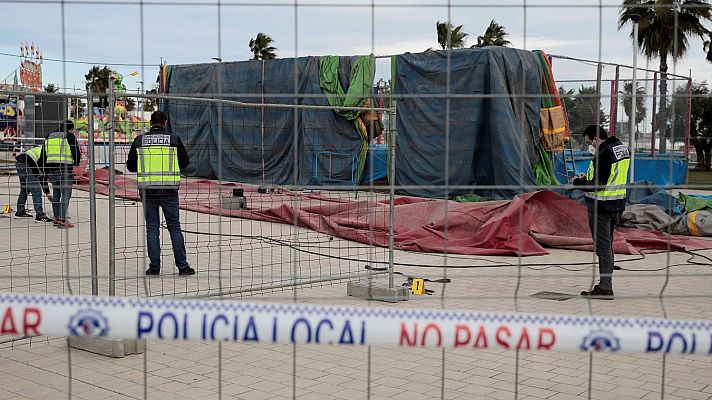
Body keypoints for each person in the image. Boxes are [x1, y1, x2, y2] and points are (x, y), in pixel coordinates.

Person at [126, 111, 195, 276]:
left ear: (151, 123)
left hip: (148, 190)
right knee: (174, 228)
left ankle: (154, 267)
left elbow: (131, 167)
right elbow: (185, 163)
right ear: (165, 122)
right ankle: (182, 267)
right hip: (169, 190)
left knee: (152, 229)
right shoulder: (174, 139)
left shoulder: (139, 140)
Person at [573, 125, 630, 300]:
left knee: (603, 248)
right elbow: (611, 176)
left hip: (601, 207)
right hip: (617, 205)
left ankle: (605, 288)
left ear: (596, 139)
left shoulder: (603, 153)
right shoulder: (622, 149)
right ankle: (605, 284)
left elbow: (599, 185)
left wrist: (578, 183)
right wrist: (588, 178)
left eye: (589, 142)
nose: (589, 145)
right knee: (608, 245)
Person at [41, 120, 81, 228]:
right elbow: (75, 151)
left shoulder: (49, 136)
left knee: (57, 194)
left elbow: (43, 153)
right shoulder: (69, 136)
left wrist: (45, 168)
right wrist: (76, 163)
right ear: (70, 128)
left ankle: (57, 219)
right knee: (66, 194)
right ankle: (63, 220)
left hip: (52, 169)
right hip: (65, 169)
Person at [14, 145, 53, 222]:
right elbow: (43, 178)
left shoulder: (46, 150)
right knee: (36, 190)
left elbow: (42, 177)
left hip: (20, 163)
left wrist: (47, 193)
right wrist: (48, 193)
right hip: (27, 164)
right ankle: (40, 215)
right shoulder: (48, 155)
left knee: (25, 189)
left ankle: (20, 211)